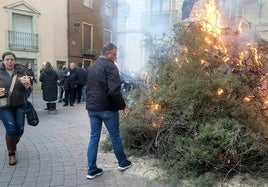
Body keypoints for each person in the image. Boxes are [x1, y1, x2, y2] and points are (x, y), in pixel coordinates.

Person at [86, 43, 131, 179]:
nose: (115, 57)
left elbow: (88, 87)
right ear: (107, 54)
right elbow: (114, 91)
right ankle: (123, 162)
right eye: (114, 54)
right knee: (115, 136)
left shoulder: (92, 66)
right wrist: (123, 106)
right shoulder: (111, 67)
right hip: (107, 108)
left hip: (92, 108)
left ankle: (92, 170)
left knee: (94, 138)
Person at [0, 51, 32, 165]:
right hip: (3, 105)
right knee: (11, 128)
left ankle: (12, 142)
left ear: (15, 60)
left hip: (19, 104)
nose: (9, 61)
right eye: (7, 59)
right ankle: (11, 154)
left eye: (12, 59)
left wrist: (28, 86)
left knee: (20, 129)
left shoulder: (21, 71)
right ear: (3, 61)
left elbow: (29, 89)